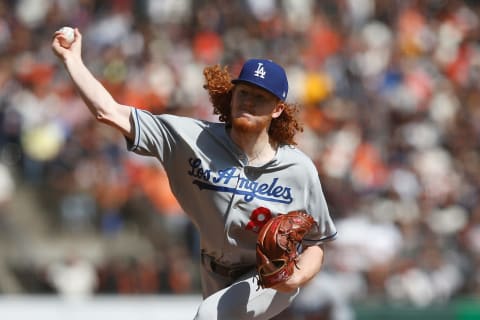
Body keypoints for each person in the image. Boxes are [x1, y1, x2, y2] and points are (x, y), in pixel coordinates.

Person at [52, 28, 337, 320]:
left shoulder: (298, 169)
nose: (249, 101)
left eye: (260, 97)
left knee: (210, 316)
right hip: (213, 269)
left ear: (277, 109)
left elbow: (317, 242)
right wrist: (72, 60)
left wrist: (294, 278)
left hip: (269, 278)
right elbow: (108, 112)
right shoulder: (190, 139)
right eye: (244, 92)